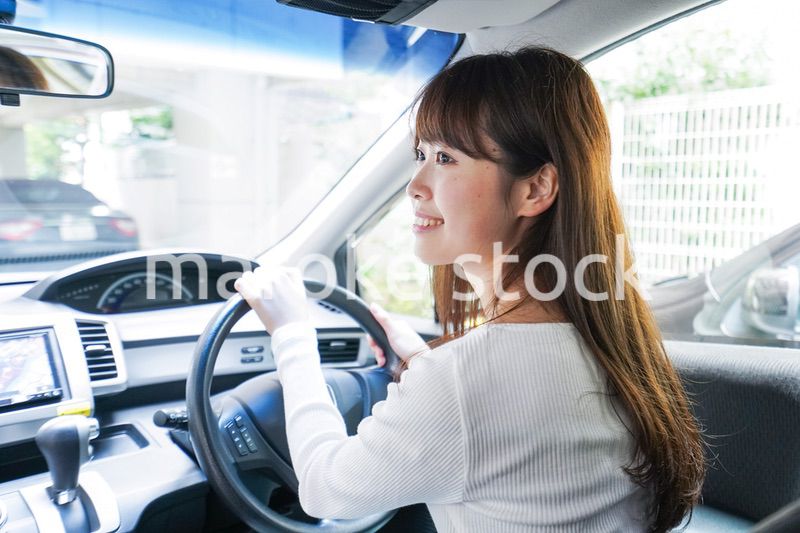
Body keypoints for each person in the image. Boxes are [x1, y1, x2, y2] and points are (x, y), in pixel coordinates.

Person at [235, 46, 705, 532]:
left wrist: (292, 337)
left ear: (535, 189)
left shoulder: (459, 381)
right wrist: (420, 363)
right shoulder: (619, 346)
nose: (415, 185)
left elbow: (323, 488)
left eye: (445, 158)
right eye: (421, 155)